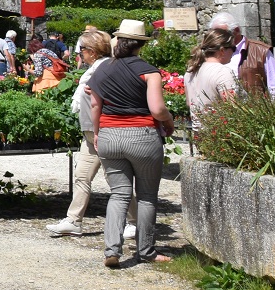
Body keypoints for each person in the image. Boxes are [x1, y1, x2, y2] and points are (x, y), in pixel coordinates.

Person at [86, 19, 174, 268]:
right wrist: (169, 121)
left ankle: (112, 249)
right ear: (140, 45)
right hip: (142, 136)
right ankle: (145, 251)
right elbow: (157, 109)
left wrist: (97, 132)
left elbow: (95, 105)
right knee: (146, 196)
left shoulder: (102, 70)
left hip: (110, 136)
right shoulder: (149, 70)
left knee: (119, 194)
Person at [47, 28, 135, 237]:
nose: (79, 55)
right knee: (81, 176)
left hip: (103, 132)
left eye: (82, 50)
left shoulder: (105, 69)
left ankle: (134, 221)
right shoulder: (95, 68)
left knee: (116, 179)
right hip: (90, 133)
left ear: (93, 51)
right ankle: (73, 221)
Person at [207, 11, 275, 96]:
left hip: (253, 108)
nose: (217, 37)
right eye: (215, 34)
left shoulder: (261, 51)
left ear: (236, 30)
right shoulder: (211, 52)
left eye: (222, 34)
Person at [184, 27, 239, 122]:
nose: (234, 52)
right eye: (233, 48)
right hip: (220, 132)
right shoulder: (222, 72)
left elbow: (189, 103)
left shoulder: (191, 70)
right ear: (222, 50)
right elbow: (232, 107)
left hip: (198, 131)